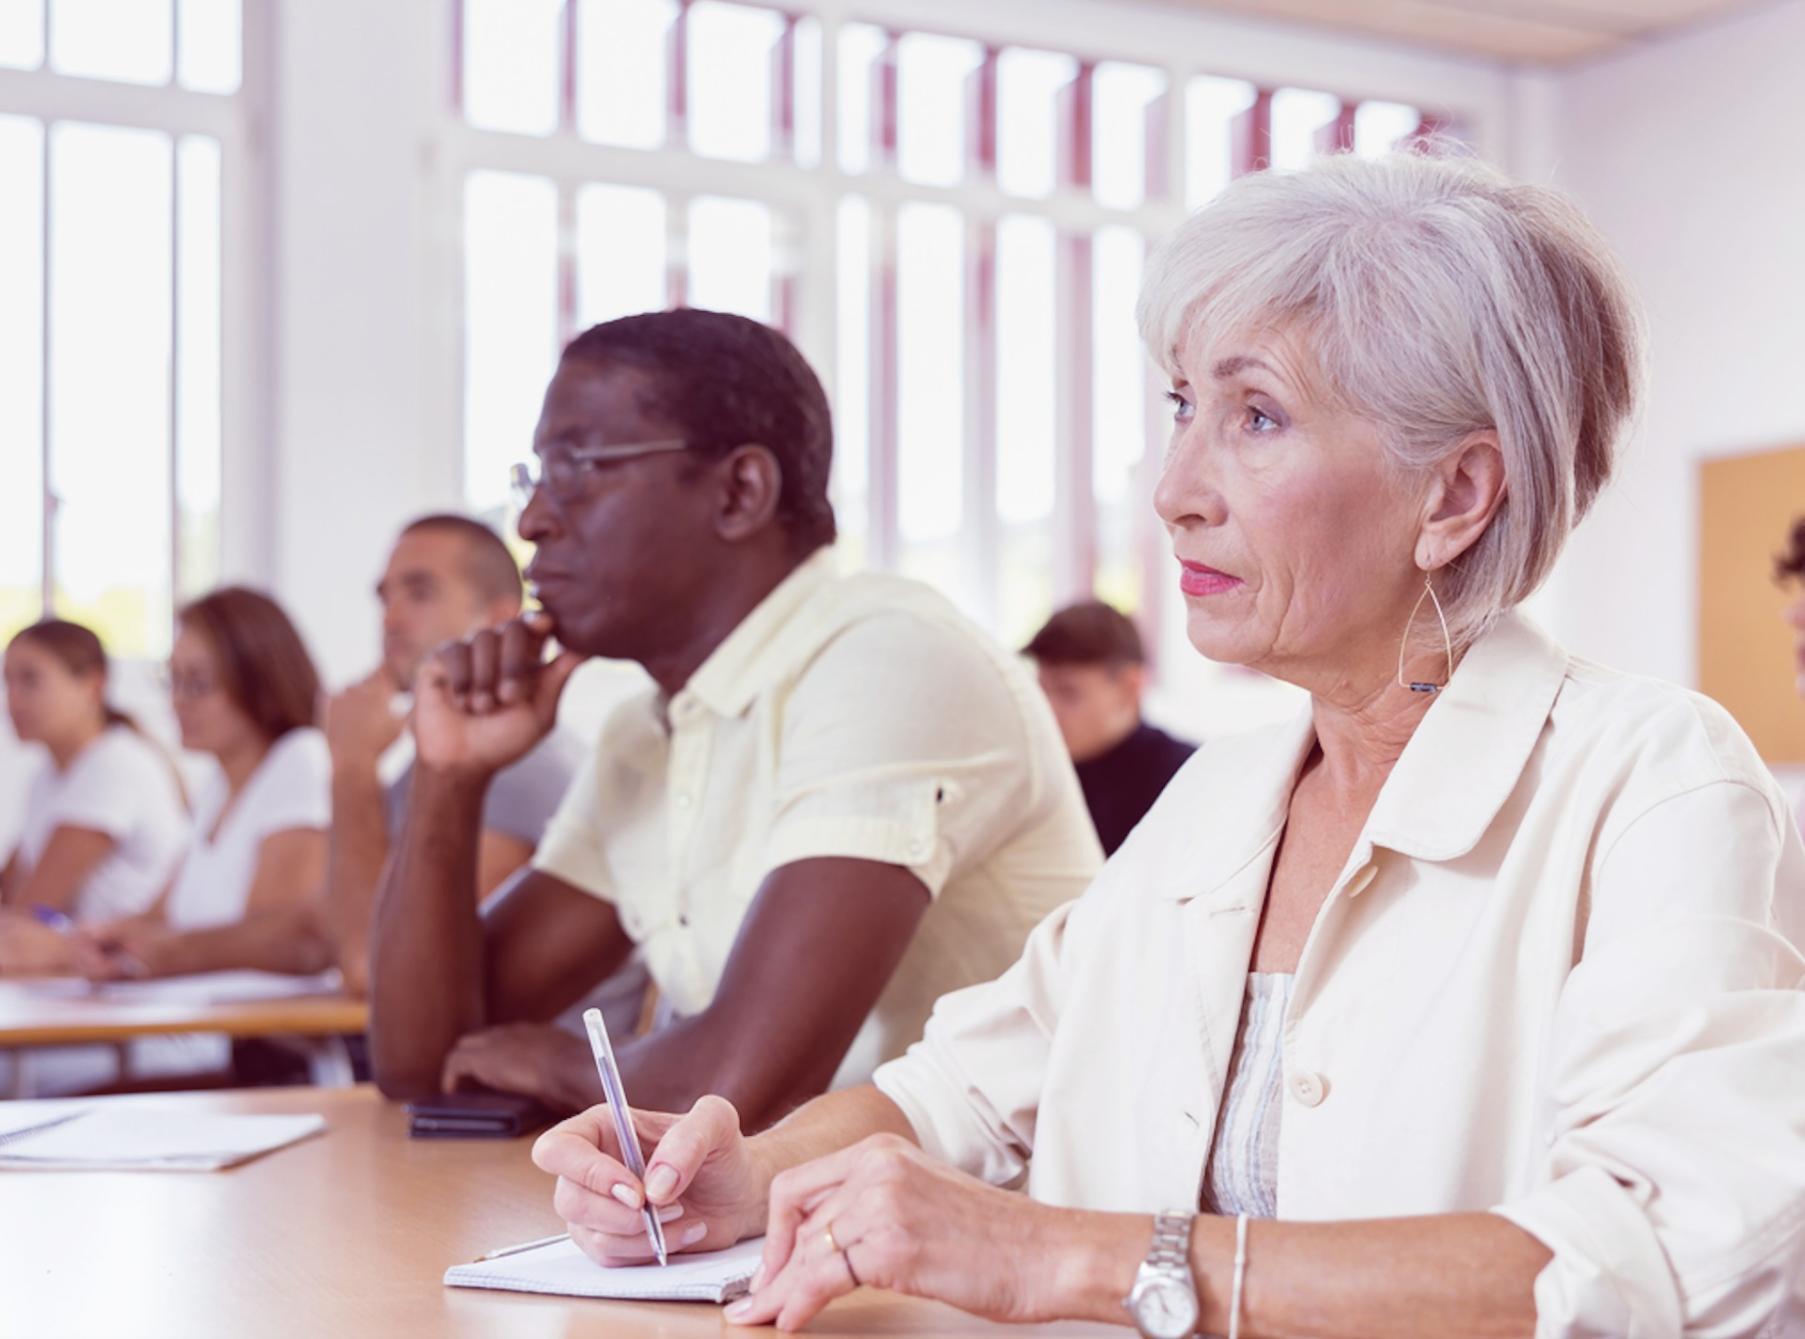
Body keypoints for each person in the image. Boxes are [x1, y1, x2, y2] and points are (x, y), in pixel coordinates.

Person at [531, 152, 1805, 1338]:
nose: (1174, 486)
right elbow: (962, 1088)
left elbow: (1668, 1249)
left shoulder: (1651, 780)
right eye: (1183, 405)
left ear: (1455, 495)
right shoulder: (1224, 793)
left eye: (1256, 416)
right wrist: (745, 1175)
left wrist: (1070, 1255)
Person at [369, 308, 1102, 1125]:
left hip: (1010, 1223)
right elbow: (417, 1059)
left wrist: (560, 1063)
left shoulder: (888, 659)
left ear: (739, 491)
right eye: (533, 475)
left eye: (576, 466)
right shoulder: (645, 737)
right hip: (806, 1221)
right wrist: (448, 775)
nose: (532, 519)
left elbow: (742, 1086)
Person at [321, 514, 580, 997]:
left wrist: (352, 766)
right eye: (385, 597)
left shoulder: (520, 767)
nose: (390, 620)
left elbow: (374, 970)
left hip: (515, 1069)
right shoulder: (425, 767)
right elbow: (321, 928)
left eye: (419, 593)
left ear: (502, 620)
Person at [79, 587, 332, 982]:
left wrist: (159, 952)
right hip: (193, 1022)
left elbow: (284, 939)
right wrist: (86, 941)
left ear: (261, 684)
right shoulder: (217, 786)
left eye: (197, 683)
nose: (177, 702)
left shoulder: (302, 758)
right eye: (172, 680)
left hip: (250, 1037)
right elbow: (156, 921)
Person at [0, 620, 187, 974]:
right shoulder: (46, 777)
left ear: (92, 684)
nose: (12, 699)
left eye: (30, 681)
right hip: (82, 980)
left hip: (130, 984)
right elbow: (9, 891)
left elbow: (31, 907)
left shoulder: (113, 765)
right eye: (7, 681)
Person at [1023, 600, 1195, 855]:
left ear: (1129, 687)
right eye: (1041, 690)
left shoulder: (1187, 779)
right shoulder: (1035, 775)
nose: (1046, 711)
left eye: (1068, 693)